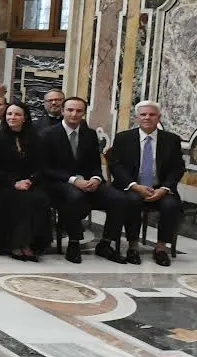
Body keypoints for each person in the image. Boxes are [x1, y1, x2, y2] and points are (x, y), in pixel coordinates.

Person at [40, 96, 138, 264]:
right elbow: (45, 168)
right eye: (70, 110)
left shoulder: (90, 134)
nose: (74, 114)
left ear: (84, 114)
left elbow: (94, 164)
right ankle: (74, 242)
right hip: (59, 184)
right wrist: (73, 180)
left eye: (79, 111)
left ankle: (106, 243)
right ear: (63, 111)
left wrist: (96, 178)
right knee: (75, 197)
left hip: (88, 182)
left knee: (120, 199)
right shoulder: (47, 134)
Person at [107, 100, 184, 266]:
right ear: (137, 118)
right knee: (132, 201)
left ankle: (161, 248)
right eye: (143, 114)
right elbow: (116, 166)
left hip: (160, 189)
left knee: (171, 205)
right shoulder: (123, 138)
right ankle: (132, 246)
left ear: (159, 117)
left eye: (152, 114)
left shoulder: (172, 140)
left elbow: (178, 168)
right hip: (131, 186)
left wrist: (164, 189)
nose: (147, 117)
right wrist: (135, 186)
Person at [0, 102, 49, 261]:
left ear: (25, 117)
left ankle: (31, 244)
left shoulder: (35, 138)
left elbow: (41, 165)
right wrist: (14, 182)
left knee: (40, 199)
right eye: (9, 114)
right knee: (21, 200)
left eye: (17, 114)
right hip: (3, 184)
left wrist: (30, 180)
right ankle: (15, 244)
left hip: (29, 182)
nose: (12, 117)